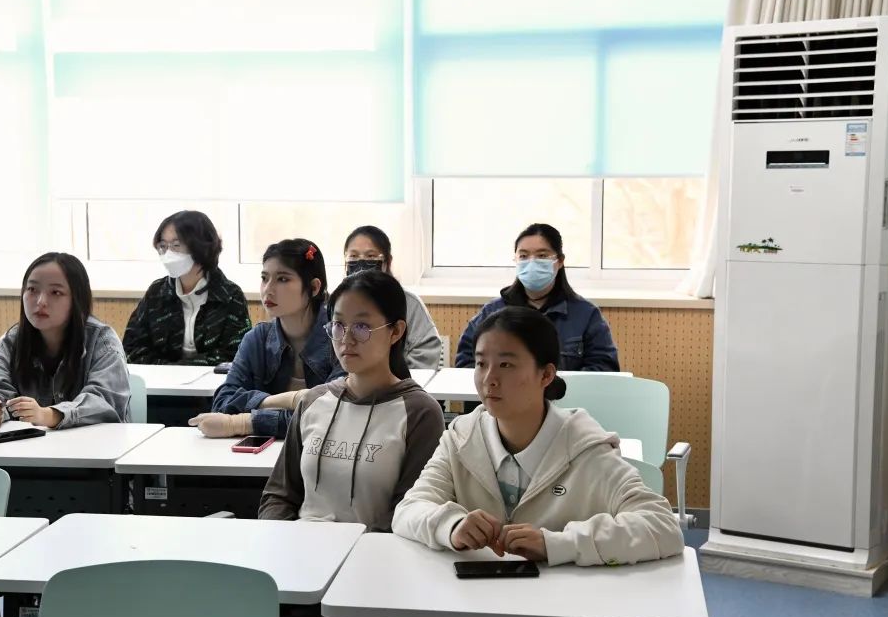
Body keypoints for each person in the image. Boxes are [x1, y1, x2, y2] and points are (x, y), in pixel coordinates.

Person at [393, 306, 683, 566]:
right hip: (476, 598)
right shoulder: (460, 438)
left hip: (565, 604)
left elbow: (662, 526)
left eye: (506, 365)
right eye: (481, 364)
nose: (489, 379)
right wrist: (451, 526)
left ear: (546, 375)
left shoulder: (585, 448)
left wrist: (556, 544)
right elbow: (409, 510)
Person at [259, 270, 445, 531]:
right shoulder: (313, 401)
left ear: (396, 331)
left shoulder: (420, 413)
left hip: (373, 550)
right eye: (338, 325)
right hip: (302, 545)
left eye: (361, 327)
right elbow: (279, 495)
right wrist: (285, 537)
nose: (346, 339)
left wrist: (350, 548)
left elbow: (408, 511)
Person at [0, 252, 131, 429]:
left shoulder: (102, 342)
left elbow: (105, 402)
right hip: (31, 445)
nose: (41, 301)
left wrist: (50, 415)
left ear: (77, 299)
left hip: (95, 444)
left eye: (56, 292)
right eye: (32, 289)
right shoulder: (11, 341)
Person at [202, 239, 344, 439]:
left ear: (314, 287)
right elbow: (222, 402)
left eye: (283, 279)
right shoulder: (257, 339)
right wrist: (286, 400)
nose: (268, 289)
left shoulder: (341, 337)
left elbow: (332, 414)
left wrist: (245, 422)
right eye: (264, 278)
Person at [455, 223, 619, 371]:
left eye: (542, 256)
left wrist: (556, 387)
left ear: (559, 261)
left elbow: (604, 368)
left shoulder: (586, 314)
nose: (531, 263)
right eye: (524, 256)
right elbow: (465, 362)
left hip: (566, 396)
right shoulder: (492, 312)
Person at [122, 210, 251, 365]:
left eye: (176, 245)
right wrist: (170, 370)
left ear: (201, 247)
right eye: (163, 246)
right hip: (161, 378)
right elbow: (132, 349)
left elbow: (237, 354)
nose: (168, 254)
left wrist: (186, 368)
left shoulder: (230, 295)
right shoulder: (156, 292)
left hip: (214, 380)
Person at [343, 226, 443, 370]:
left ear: (387, 262)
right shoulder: (340, 303)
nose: (361, 262)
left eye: (370, 256)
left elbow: (426, 353)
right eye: (353, 256)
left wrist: (397, 378)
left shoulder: (409, 303)